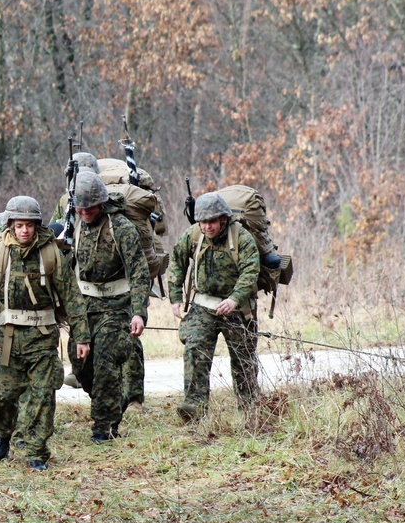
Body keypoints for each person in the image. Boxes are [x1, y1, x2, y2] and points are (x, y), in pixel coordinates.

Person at [0, 196, 90, 471]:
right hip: (6, 339)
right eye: (19, 225)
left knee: (43, 396)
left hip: (42, 338)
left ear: (37, 226)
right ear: (10, 225)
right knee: (3, 399)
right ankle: (3, 433)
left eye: (29, 225)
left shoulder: (51, 255)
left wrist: (81, 336)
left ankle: (37, 452)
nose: (24, 231)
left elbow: (72, 298)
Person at [67, 171, 151, 442]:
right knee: (81, 366)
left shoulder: (121, 228)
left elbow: (139, 271)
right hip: (84, 306)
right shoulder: (73, 225)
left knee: (105, 362)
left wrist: (138, 311)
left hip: (116, 307)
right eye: (79, 207)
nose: (84, 211)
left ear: (101, 204)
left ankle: (103, 428)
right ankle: (112, 402)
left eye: (89, 207)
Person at [168, 191, 261, 423]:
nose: (207, 227)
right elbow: (177, 261)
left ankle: (250, 409)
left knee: (243, 359)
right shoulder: (193, 235)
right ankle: (194, 408)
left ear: (223, 219)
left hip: (238, 309)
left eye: (211, 222)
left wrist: (235, 299)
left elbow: (251, 271)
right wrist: (175, 297)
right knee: (194, 350)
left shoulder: (242, 238)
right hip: (203, 306)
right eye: (203, 222)